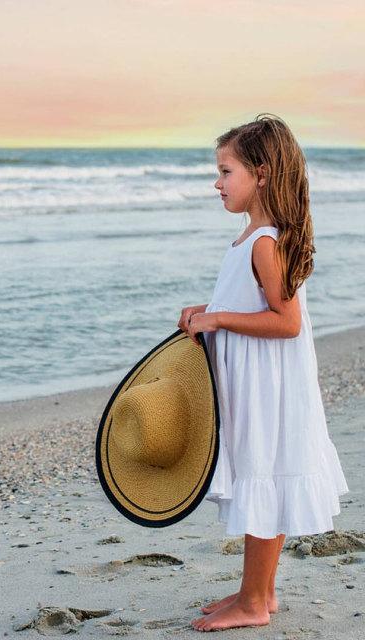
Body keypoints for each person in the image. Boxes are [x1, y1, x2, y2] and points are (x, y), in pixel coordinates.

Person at [176, 113, 349, 632]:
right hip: (256, 378)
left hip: (269, 385)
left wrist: (219, 318)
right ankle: (260, 591)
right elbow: (245, 298)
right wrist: (207, 309)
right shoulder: (252, 237)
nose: (217, 181)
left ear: (263, 174)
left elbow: (287, 321)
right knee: (260, 471)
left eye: (226, 171)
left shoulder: (265, 241)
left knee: (264, 474)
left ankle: (253, 603)